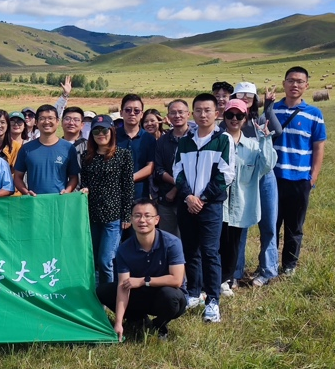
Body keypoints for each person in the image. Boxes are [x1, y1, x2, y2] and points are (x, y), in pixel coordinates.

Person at [173, 93, 235, 324]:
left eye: (207, 110)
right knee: (190, 251)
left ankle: (212, 301)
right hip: (187, 204)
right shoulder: (185, 141)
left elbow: (226, 174)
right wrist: (188, 196)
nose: (203, 114)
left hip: (210, 207)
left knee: (210, 253)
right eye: (198, 110)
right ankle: (193, 293)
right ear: (193, 113)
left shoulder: (224, 140)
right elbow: (177, 170)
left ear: (216, 113)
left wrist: (203, 198)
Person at [95, 199, 188, 341]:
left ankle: (159, 325)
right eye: (137, 216)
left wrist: (143, 281)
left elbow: (176, 280)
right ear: (131, 220)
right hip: (140, 293)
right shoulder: (124, 249)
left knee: (170, 297)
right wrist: (118, 323)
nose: (142, 220)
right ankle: (137, 319)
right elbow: (123, 286)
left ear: (157, 220)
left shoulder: (172, 243)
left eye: (147, 216)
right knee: (103, 291)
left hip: (166, 294)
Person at [272, 66, 327, 277]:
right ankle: (269, 264)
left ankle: (289, 266)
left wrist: (313, 177)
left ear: (306, 86)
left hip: (300, 179)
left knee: (294, 227)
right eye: (291, 80)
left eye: (299, 81)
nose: (294, 85)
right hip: (274, 178)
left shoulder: (314, 114)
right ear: (284, 83)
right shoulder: (272, 110)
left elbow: (318, 147)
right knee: (271, 226)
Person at [220, 99, 276, 294]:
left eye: (239, 115)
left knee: (234, 243)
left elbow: (267, 165)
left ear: (245, 118)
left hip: (240, 205)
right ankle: (214, 279)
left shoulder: (253, 146)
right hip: (219, 204)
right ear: (224, 117)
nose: (234, 119)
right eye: (230, 115)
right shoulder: (216, 142)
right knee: (216, 243)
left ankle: (228, 279)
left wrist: (265, 139)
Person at [233, 82, 283, 285]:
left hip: (264, 176)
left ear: (255, 99)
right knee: (239, 226)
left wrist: (269, 107)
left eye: (250, 95)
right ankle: (235, 272)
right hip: (241, 179)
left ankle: (268, 270)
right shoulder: (231, 121)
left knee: (269, 224)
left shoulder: (260, 120)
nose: (245, 98)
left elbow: (277, 131)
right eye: (240, 94)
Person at [78, 115, 134, 284]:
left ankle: (108, 294)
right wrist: (84, 189)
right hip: (93, 216)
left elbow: (128, 187)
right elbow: (85, 183)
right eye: (96, 131)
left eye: (104, 130)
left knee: (105, 261)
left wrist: (126, 215)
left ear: (112, 131)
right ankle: (97, 294)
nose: (100, 134)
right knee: (94, 259)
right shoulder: (87, 157)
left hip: (113, 217)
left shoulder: (123, 155)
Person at [13, 105, 80, 196]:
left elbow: (74, 177)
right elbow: (17, 177)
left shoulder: (68, 148)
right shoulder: (26, 148)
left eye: (50, 118)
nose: (47, 122)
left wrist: (67, 191)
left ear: (57, 121)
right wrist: (26, 192)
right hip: (35, 201)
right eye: (42, 118)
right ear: (36, 122)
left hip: (59, 200)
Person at [152, 100, 190, 237]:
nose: (177, 116)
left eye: (181, 112)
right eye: (173, 113)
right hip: (166, 199)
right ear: (168, 116)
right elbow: (158, 169)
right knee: (167, 239)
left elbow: (194, 171)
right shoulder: (162, 141)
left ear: (188, 114)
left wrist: (176, 189)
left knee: (188, 239)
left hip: (189, 199)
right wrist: (175, 184)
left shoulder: (196, 139)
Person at [116, 94, 157, 200]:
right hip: (114, 194)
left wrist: (129, 179)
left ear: (142, 114)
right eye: (128, 110)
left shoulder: (149, 139)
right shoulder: (112, 136)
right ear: (121, 113)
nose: (132, 113)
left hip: (140, 195)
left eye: (136, 111)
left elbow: (150, 166)